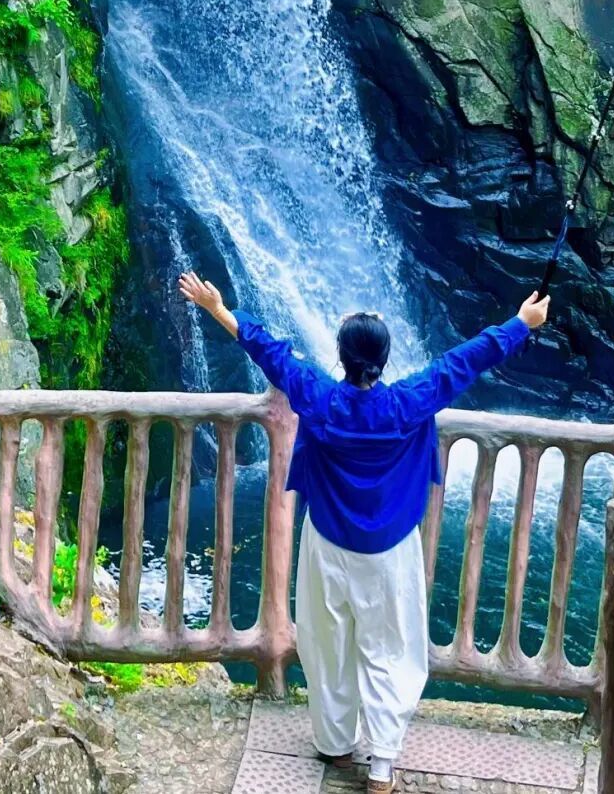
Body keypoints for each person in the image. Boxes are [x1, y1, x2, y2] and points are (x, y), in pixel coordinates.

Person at [177, 272, 550, 793]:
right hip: (390, 550)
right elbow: (466, 359)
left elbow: (270, 352)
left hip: (327, 542)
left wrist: (218, 309)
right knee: (390, 649)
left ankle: (334, 742)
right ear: (383, 359)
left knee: (327, 643)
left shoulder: (319, 397)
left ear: (342, 356)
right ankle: (381, 765)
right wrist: (522, 323)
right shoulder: (407, 402)